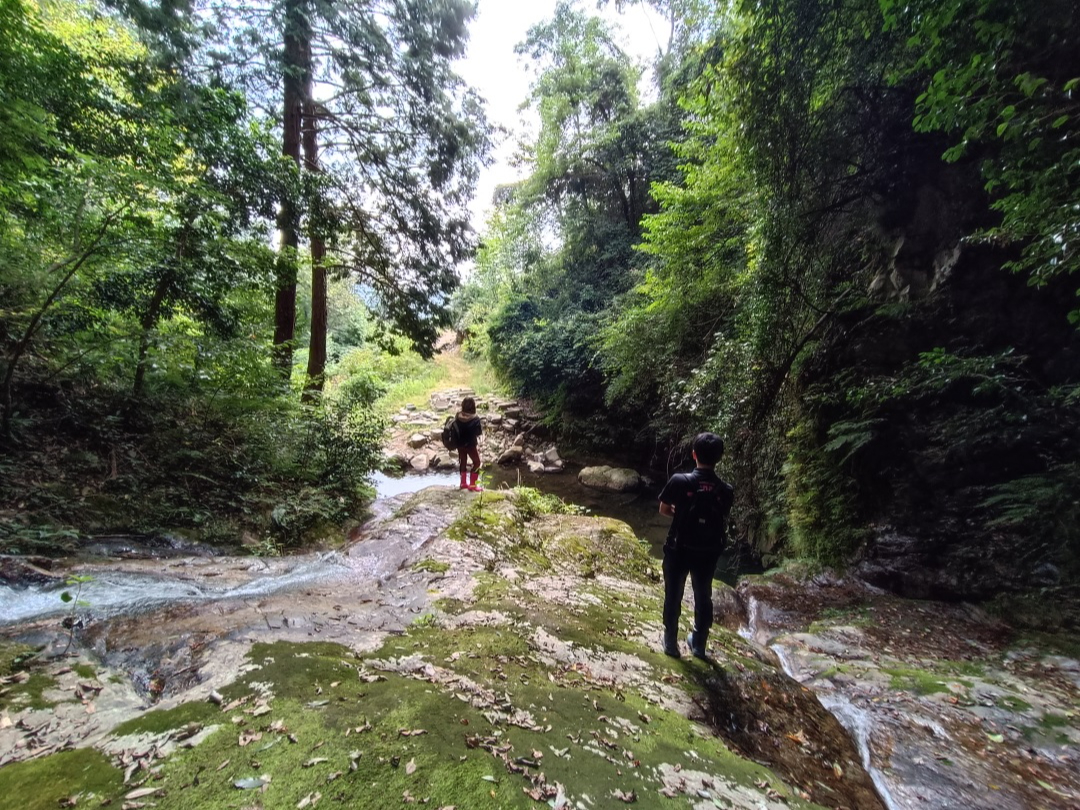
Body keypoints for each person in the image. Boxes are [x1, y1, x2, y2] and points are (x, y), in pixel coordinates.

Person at [658, 432, 734, 659]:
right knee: (704, 595)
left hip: (679, 548)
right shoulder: (726, 490)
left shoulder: (680, 481)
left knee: (673, 594)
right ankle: (699, 643)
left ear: (693, 454)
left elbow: (663, 509)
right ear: (719, 457)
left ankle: (671, 642)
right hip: (708, 551)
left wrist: (681, 514)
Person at [455, 397, 484, 491]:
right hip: (470, 444)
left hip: (459, 444)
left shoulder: (458, 416)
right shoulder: (475, 419)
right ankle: (472, 485)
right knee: (477, 463)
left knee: (463, 461)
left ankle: (463, 483)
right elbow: (478, 433)